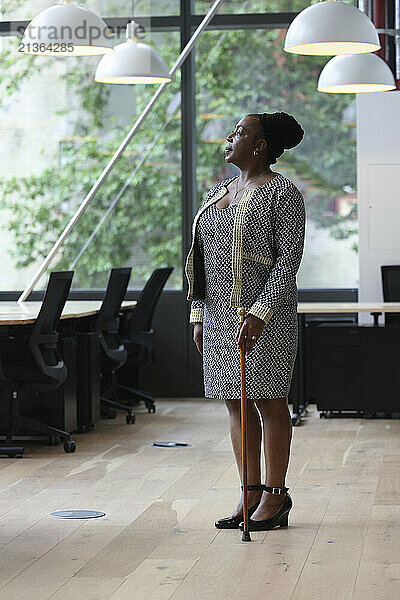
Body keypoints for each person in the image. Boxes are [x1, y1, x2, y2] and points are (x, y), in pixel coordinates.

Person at [184, 111, 306, 531]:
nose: (230, 136)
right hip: (219, 316)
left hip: (267, 316)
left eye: (240, 131)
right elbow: (199, 258)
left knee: (269, 401)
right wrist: (199, 314)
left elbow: (287, 261)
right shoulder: (220, 192)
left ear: (260, 145)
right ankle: (248, 492)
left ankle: (275, 496)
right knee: (235, 406)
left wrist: (260, 311)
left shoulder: (283, 194)